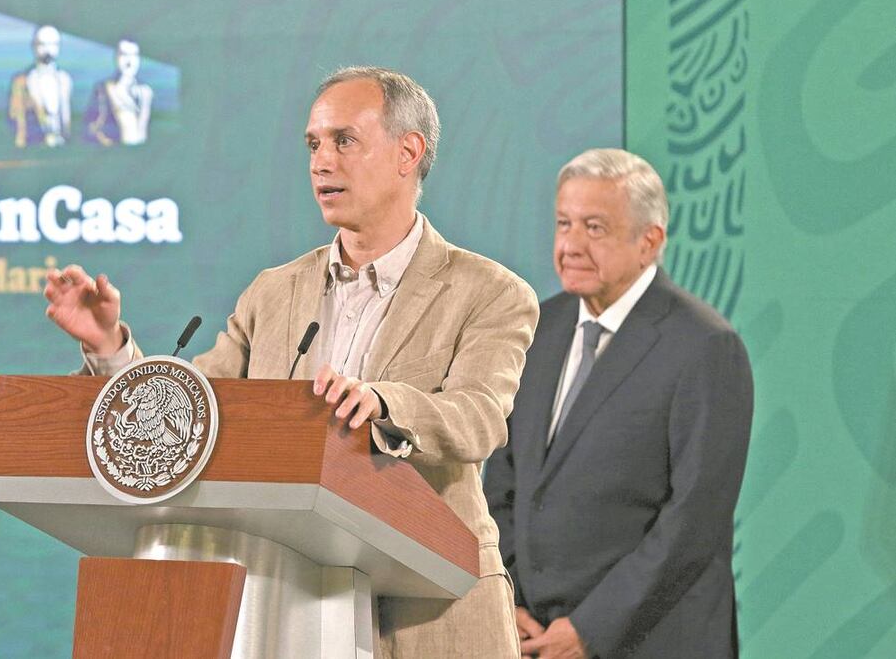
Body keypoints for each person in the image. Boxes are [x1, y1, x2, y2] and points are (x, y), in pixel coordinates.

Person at [44, 66, 538, 657]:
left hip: (432, 605)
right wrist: (108, 348)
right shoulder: (273, 292)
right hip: (290, 603)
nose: (320, 162)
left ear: (409, 152)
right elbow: (194, 414)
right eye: (313, 144)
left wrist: (382, 402)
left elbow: (479, 416)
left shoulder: (488, 290)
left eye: (343, 141)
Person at [483, 148, 753, 659]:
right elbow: (504, 480)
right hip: (534, 635)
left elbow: (694, 520)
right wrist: (507, 596)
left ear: (649, 241)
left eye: (595, 228)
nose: (571, 245)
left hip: (651, 641)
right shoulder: (539, 328)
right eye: (564, 224)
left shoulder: (705, 347)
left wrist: (591, 629)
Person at [8, 25, 73, 147]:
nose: (48, 49)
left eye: (53, 44)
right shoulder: (22, 81)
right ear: (34, 46)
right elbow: (16, 119)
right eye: (42, 44)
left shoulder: (65, 80)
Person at [83, 38, 153, 146]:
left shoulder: (146, 92)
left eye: (134, 55)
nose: (129, 61)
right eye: (124, 55)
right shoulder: (103, 89)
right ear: (116, 57)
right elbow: (90, 129)